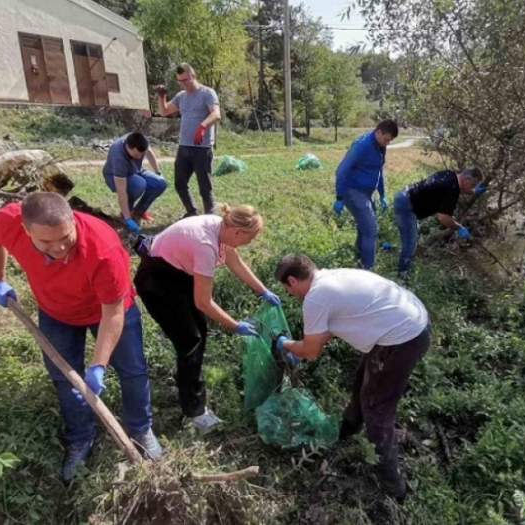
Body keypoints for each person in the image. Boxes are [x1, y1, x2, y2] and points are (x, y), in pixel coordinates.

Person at [0, 193, 162, 483]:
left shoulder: (103, 247)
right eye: (46, 242)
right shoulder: (8, 221)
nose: (59, 247)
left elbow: (113, 313)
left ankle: (140, 429)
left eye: (66, 236)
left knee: (132, 370)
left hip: (109, 308)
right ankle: (81, 437)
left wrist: (98, 365)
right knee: (66, 378)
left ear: (73, 221)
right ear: (26, 230)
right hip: (56, 311)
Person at [272, 253, 431, 501]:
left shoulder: (315, 298)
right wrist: (300, 351)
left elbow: (312, 351)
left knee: (376, 406)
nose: (290, 294)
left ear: (292, 281)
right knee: (363, 378)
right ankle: (347, 429)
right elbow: (326, 331)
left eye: (287, 289)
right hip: (414, 322)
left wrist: (285, 344)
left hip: (402, 339)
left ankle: (393, 485)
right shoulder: (331, 278)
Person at [133, 204, 280, 431]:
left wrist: (263, 291)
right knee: (190, 340)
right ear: (237, 232)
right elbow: (203, 302)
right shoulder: (205, 245)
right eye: (249, 239)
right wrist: (235, 325)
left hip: (177, 273)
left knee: (198, 331)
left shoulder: (222, 227)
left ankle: (186, 381)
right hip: (158, 282)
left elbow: (235, 262)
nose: (248, 243)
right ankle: (194, 412)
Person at [155, 63, 221, 218]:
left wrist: (202, 127)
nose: (182, 84)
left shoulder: (207, 93)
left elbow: (216, 114)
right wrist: (161, 97)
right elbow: (164, 111)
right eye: (179, 81)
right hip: (184, 147)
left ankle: (210, 217)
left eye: (185, 80)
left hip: (202, 148)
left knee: (204, 186)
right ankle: (192, 212)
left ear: (193, 76)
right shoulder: (181, 96)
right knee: (179, 183)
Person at [393, 167, 486, 276]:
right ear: (467, 179)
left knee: (411, 236)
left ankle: (401, 260)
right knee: (410, 243)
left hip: (404, 194)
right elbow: (443, 217)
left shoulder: (450, 174)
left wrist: (473, 191)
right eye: (473, 185)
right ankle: (402, 276)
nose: (473, 187)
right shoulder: (452, 190)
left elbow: (458, 188)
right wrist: (459, 228)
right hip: (407, 205)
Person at [333, 119, 399, 270]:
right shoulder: (361, 145)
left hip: (367, 193)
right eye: (386, 139)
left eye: (389, 141)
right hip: (353, 191)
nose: (387, 143)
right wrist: (339, 197)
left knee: (364, 228)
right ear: (378, 132)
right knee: (371, 230)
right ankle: (368, 270)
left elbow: (378, 169)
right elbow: (341, 171)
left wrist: (382, 194)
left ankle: (358, 260)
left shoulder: (380, 146)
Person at [102, 131, 167, 234]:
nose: (140, 157)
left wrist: (157, 172)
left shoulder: (141, 140)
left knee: (160, 183)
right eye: (137, 154)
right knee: (138, 184)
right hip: (114, 178)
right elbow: (122, 192)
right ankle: (126, 214)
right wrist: (127, 218)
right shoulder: (118, 157)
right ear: (128, 147)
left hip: (135, 171)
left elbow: (149, 152)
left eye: (142, 154)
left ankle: (139, 211)